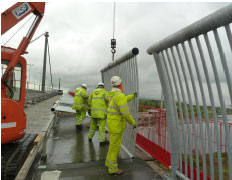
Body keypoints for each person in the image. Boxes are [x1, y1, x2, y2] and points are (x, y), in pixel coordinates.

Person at [105, 76, 137, 175]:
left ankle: (108, 163)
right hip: (116, 126)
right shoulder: (119, 95)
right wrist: (133, 122)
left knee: (112, 146)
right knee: (115, 148)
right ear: (120, 84)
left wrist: (132, 96)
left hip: (111, 124)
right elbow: (125, 114)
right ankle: (113, 169)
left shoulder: (112, 94)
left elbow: (122, 100)